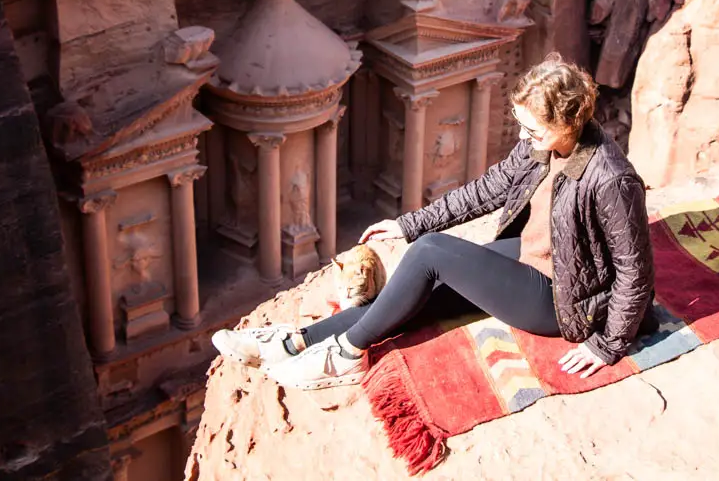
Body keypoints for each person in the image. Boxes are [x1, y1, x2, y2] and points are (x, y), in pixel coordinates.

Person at [212, 53, 656, 390]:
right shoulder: (543, 144)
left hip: (562, 299)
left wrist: (607, 344)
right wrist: (409, 223)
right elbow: (488, 189)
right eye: (521, 126)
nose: (524, 139)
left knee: (430, 253)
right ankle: (297, 341)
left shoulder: (611, 179)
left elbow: (635, 272)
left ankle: (346, 355)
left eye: (533, 130)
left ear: (569, 121)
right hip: (534, 259)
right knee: (422, 285)